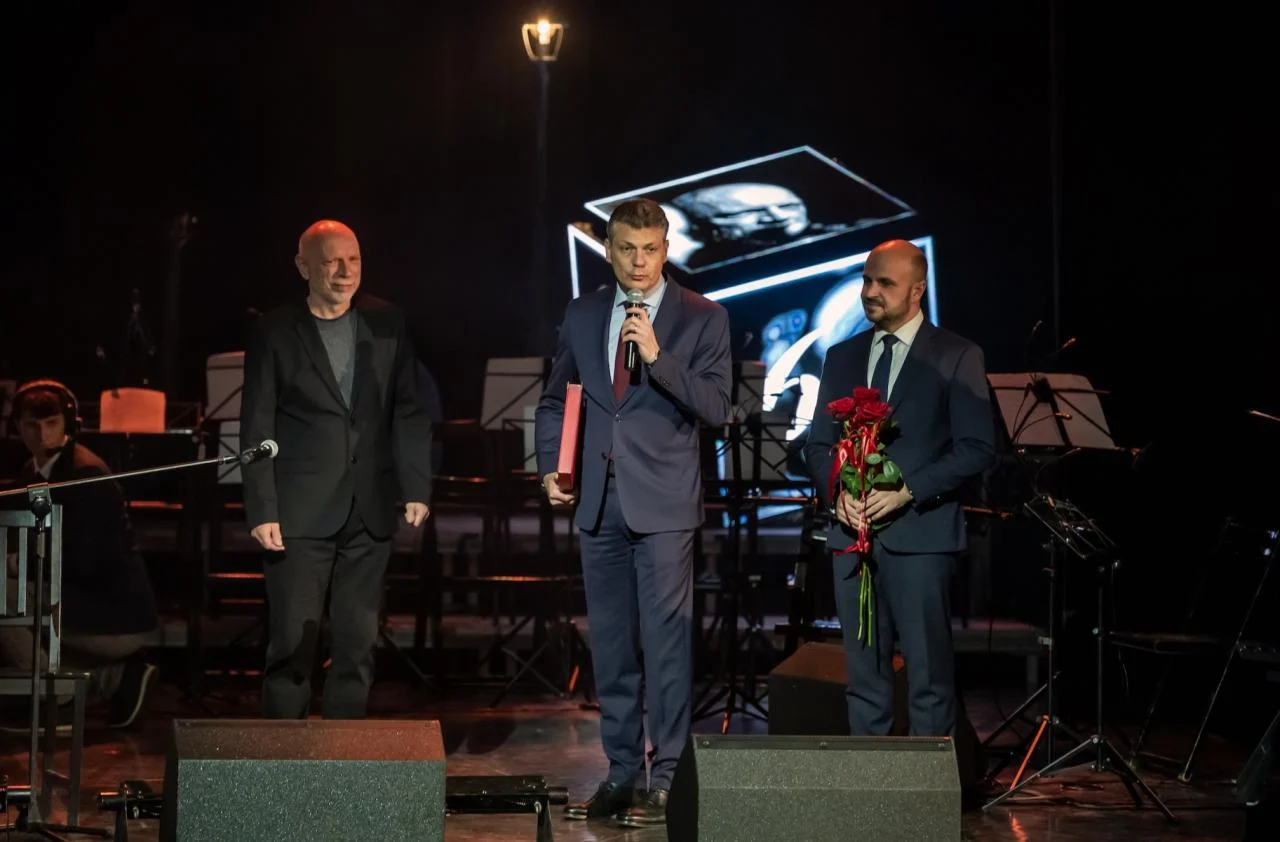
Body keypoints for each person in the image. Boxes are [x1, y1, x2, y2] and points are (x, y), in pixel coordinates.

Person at [535, 198, 732, 827]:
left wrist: (656, 357)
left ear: (666, 249)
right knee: (613, 646)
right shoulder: (583, 312)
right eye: (627, 249)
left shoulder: (703, 317)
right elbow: (554, 400)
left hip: (664, 505)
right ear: (609, 249)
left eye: (650, 250)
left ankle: (667, 779)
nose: (639, 262)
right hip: (599, 502)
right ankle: (621, 773)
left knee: (666, 644)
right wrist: (551, 466)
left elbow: (717, 406)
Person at [240, 219, 433, 720]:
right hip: (298, 513)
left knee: (357, 644)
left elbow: (408, 409)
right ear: (304, 267)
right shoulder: (274, 331)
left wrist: (416, 484)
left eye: (354, 260)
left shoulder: (387, 322)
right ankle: (283, 759)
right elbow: (256, 423)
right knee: (292, 644)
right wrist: (262, 507)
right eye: (332, 262)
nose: (346, 271)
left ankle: (343, 760)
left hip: (369, 508)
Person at [803, 239, 996, 738]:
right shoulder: (841, 356)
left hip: (921, 535)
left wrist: (908, 490)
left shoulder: (955, 355)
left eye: (884, 283)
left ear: (917, 289)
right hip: (852, 539)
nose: (870, 292)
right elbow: (817, 445)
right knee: (864, 681)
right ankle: (870, 785)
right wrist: (837, 495)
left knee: (928, 678)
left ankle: (926, 788)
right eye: (867, 280)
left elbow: (977, 447)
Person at [0, 379, 159, 731]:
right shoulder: (35, 470)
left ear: (69, 424)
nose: (42, 434)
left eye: (51, 423)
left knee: (3, 595)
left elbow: (80, 561)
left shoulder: (84, 473)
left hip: (113, 614)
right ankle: (112, 679)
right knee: (15, 600)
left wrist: (13, 564)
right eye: (32, 425)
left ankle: (57, 700)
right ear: (18, 427)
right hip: (82, 602)